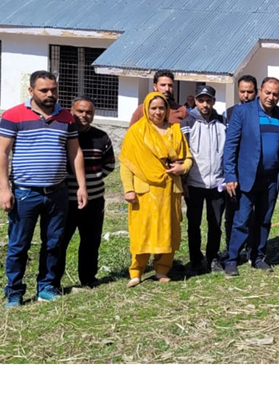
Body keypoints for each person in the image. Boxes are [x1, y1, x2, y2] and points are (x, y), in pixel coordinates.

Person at [1, 71, 88, 307]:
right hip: (25, 193)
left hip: (57, 192)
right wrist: (4, 189)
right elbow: (2, 152)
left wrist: (81, 186)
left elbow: (75, 152)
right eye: (44, 90)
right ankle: (14, 292)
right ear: (31, 91)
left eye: (53, 90)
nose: (50, 94)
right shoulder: (13, 115)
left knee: (53, 242)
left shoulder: (66, 117)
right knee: (19, 245)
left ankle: (47, 286)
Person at [120, 92, 192, 288]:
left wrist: (182, 168)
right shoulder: (136, 132)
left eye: (161, 108)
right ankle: (136, 271)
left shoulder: (175, 131)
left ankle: (162, 269)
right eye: (154, 108)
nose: (158, 112)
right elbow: (127, 163)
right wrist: (129, 189)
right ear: (146, 109)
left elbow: (188, 158)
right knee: (142, 230)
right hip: (145, 190)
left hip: (169, 189)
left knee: (168, 229)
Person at [223, 77, 279, 276]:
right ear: (260, 91)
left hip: (271, 179)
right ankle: (232, 258)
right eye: (267, 92)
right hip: (246, 177)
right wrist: (230, 175)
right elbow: (231, 145)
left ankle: (258, 256)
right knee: (241, 220)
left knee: (264, 219)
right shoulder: (243, 112)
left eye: (275, 94)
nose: (271, 97)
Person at [56, 96, 115, 289]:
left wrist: (94, 178)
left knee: (91, 241)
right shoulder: (63, 134)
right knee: (59, 241)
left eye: (88, 112)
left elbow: (110, 164)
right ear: (71, 111)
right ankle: (53, 281)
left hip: (94, 199)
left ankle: (88, 278)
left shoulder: (101, 137)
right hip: (65, 199)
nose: (84, 115)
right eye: (80, 111)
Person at [181, 85, 227, 275]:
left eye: (208, 101)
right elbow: (182, 153)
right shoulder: (187, 123)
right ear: (196, 101)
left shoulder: (223, 122)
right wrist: (184, 181)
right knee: (194, 224)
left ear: (214, 102)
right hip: (194, 183)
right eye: (201, 101)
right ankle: (195, 259)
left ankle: (213, 257)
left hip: (217, 182)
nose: (205, 104)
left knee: (215, 223)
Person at [223, 74, 259, 265]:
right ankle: (232, 250)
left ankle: (250, 249)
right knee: (233, 215)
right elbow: (227, 145)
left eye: (249, 92)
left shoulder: (259, 113)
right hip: (233, 175)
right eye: (242, 91)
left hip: (252, 174)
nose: (245, 95)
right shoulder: (228, 113)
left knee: (252, 215)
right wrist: (229, 172)